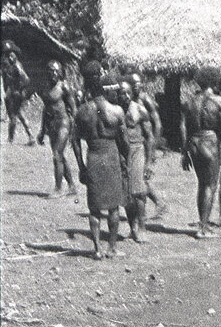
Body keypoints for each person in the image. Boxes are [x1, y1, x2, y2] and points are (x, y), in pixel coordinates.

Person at [71, 61, 129, 259]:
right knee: (113, 206)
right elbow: (125, 143)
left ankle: (96, 249)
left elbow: (75, 141)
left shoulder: (82, 111)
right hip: (111, 156)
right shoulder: (117, 111)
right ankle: (111, 248)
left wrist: (81, 166)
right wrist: (126, 161)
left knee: (94, 208)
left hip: (93, 156)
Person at [179, 68, 221, 238]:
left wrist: (184, 150)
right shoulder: (219, 101)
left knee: (202, 184)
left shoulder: (189, 101)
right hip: (210, 142)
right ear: (214, 81)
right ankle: (203, 227)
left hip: (194, 143)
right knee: (210, 185)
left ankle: (202, 222)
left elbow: (182, 126)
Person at [124, 69, 166, 217]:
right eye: (133, 83)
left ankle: (158, 202)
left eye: (138, 83)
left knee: (140, 178)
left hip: (143, 143)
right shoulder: (125, 99)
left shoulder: (145, 99)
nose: (136, 86)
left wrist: (153, 148)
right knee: (136, 178)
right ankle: (157, 203)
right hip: (132, 144)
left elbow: (157, 124)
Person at [117, 79, 153, 242]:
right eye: (121, 93)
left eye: (127, 92)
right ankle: (132, 227)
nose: (124, 96)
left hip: (137, 150)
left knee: (139, 192)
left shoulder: (140, 110)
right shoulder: (115, 111)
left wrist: (149, 162)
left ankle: (142, 227)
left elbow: (149, 136)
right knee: (126, 194)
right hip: (120, 153)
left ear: (132, 93)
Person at [37, 60, 78, 195]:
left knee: (57, 155)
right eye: (51, 70)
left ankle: (58, 188)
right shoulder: (45, 88)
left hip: (63, 123)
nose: (54, 73)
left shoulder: (64, 87)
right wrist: (42, 131)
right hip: (51, 125)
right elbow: (45, 109)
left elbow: (74, 109)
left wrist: (75, 131)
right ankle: (71, 186)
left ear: (60, 72)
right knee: (60, 156)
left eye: (56, 71)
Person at [1, 43, 35, 144]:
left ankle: (10, 139)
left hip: (16, 94)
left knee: (13, 116)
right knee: (20, 114)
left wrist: (18, 89)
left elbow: (26, 79)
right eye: (8, 56)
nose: (9, 58)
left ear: (14, 56)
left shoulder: (17, 66)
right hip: (12, 93)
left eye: (11, 56)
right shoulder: (10, 66)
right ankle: (31, 136)